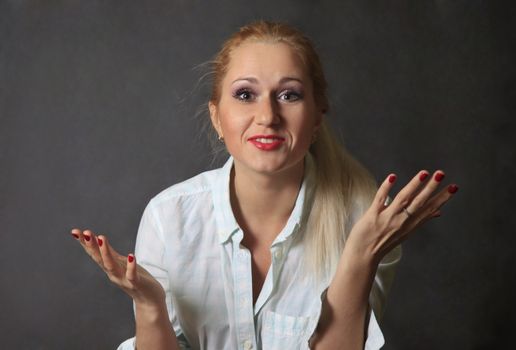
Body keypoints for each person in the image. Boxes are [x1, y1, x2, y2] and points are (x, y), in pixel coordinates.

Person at [71, 20, 458, 350]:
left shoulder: (365, 220)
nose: (267, 116)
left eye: (289, 95)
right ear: (218, 118)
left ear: (318, 116)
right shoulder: (167, 217)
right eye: (245, 95)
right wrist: (150, 304)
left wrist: (361, 253)